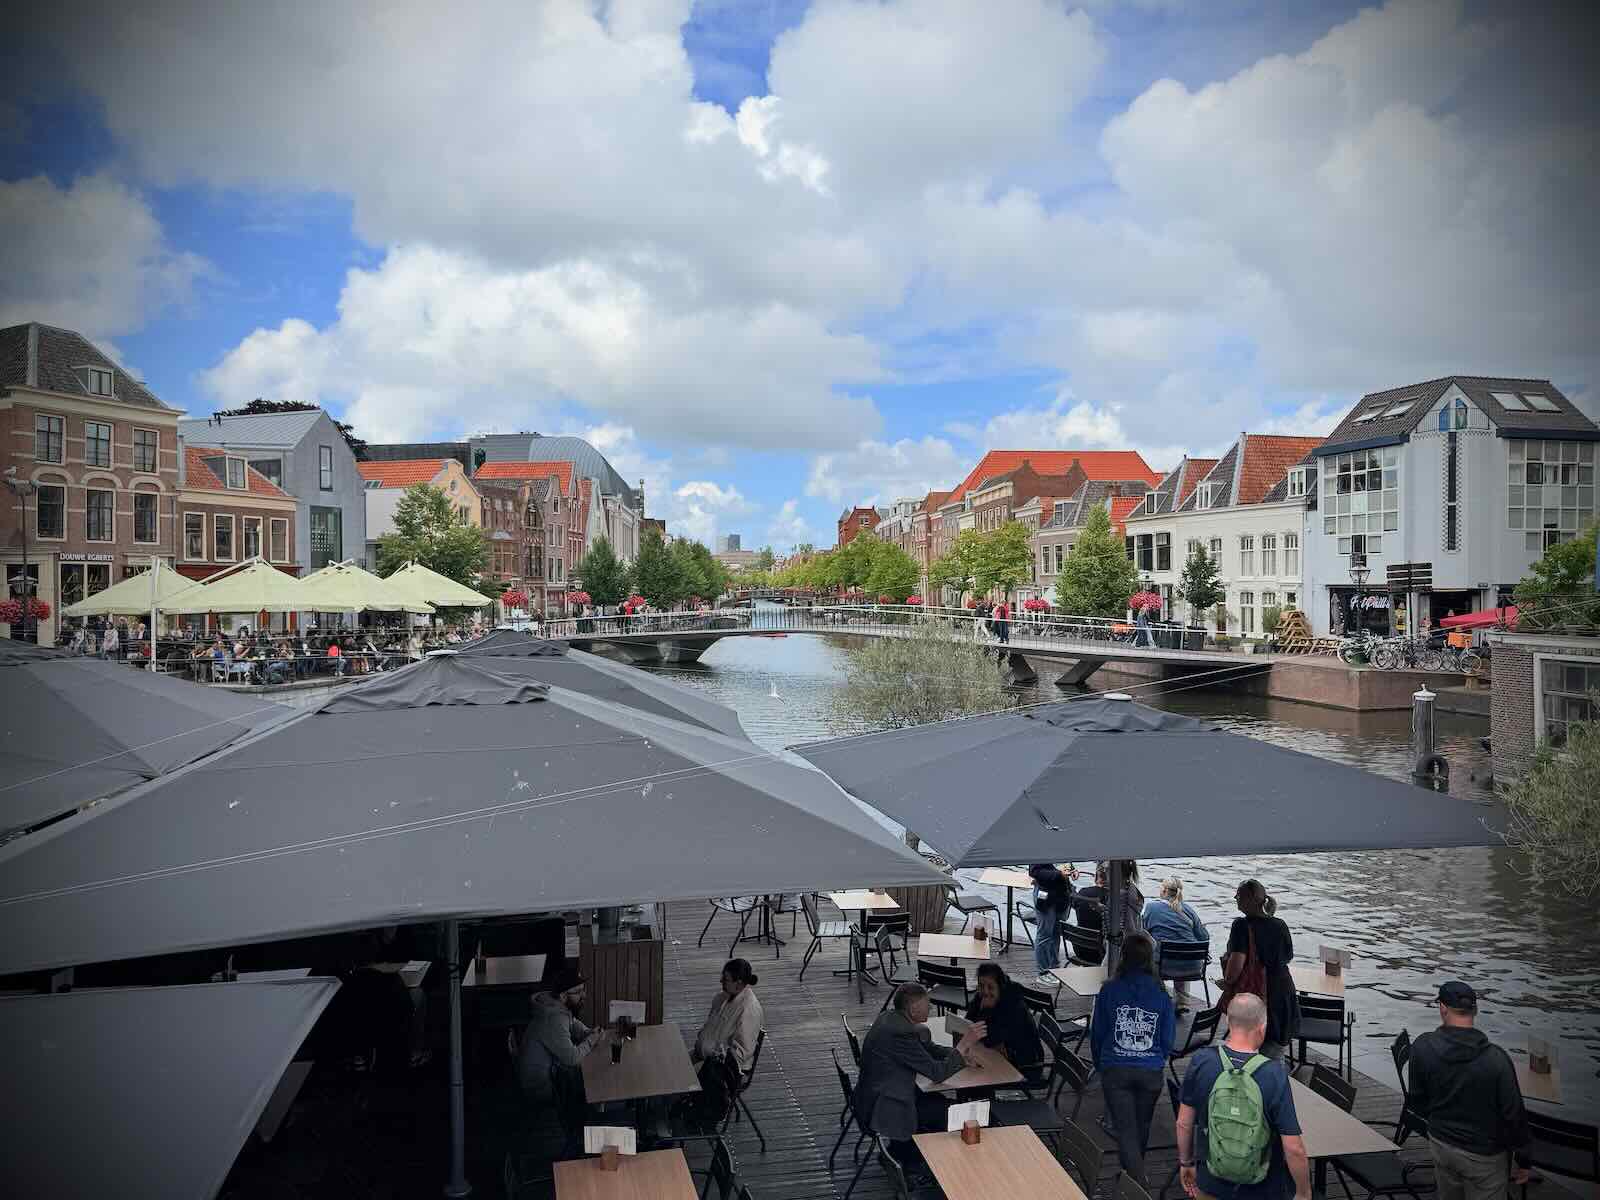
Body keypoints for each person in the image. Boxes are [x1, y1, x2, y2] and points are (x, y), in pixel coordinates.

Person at [1176, 994, 1310, 1200]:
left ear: (1228, 1022)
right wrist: (1303, 1192)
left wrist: (1186, 1162)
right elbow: (1294, 1148)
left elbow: (1184, 1123)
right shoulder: (1274, 1074)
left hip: (1210, 1183)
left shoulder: (1201, 1061)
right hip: (1261, 1191)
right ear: (1262, 1028)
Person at [1409, 982, 1532, 1200]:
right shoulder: (1497, 1059)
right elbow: (1514, 1114)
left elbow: (1417, 1101)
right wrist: (1523, 1159)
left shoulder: (1422, 1047)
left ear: (1442, 1008)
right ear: (1475, 1010)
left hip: (1441, 1142)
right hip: (1485, 1155)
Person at [855, 983, 986, 1170]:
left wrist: (960, 1057)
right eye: (927, 1004)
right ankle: (926, 1163)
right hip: (887, 1106)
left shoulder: (891, 1019)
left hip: (878, 1095)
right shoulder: (900, 1034)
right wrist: (964, 1044)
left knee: (941, 1103)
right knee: (951, 1113)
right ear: (914, 1009)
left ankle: (905, 1153)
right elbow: (937, 1073)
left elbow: (927, 1048)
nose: (931, 1007)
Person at [1092, 933, 1177, 1186]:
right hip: (1150, 1069)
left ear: (1123, 957)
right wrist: (1157, 1059)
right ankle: (1133, 1178)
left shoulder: (1109, 990)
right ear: (1150, 959)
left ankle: (1138, 1184)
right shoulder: (1161, 993)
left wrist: (1100, 1064)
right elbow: (1168, 1038)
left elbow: (1098, 1033)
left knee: (1126, 1130)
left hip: (1115, 1068)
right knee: (1141, 1126)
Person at [1219, 880, 1299, 1058]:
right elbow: (1286, 957)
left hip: (1255, 997)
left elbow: (1234, 971)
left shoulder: (1241, 926)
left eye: (1239, 895)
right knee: (1274, 1052)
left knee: (1246, 1053)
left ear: (1253, 899)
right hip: (1282, 993)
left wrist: (1227, 981)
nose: (1235, 897)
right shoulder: (1280, 925)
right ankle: (1274, 1075)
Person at [686, 958, 765, 1127]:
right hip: (703, 1055)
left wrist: (718, 1055)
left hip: (721, 1068)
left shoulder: (749, 1009)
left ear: (739, 983)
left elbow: (742, 1052)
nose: (721, 981)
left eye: (725, 979)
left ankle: (677, 1117)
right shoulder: (722, 997)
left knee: (682, 1079)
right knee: (674, 1064)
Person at [517, 967, 605, 1104]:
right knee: (596, 1082)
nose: (584, 995)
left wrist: (590, 1033)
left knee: (593, 1073)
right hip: (542, 1086)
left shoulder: (558, 1005)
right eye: (578, 992)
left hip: (554, 1072)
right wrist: (591, 1040)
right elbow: (572, 1058)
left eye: (584, 989)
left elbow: (576, 1027)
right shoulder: (553, 1018)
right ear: (563, 996)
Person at [965, 963, 1044, 1079]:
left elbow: (991, 1038)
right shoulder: (982, 996)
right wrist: (981, 1010)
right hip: (999, 1055)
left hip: (1025, 1064)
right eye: (981, 986)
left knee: (976, 1074)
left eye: (990, 987)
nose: (986, 991)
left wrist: (985, 1011)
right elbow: (968, 1023)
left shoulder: (1013, 1004)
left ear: (1000, 986)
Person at [1144, 877, 1209, 1010]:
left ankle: (1162, 995)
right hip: (1193, 967)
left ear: (1164, 891)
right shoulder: (1189, 910)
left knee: (1150, 955)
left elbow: (1143, 931)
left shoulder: (1151, 907)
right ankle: (1182, 1002)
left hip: (1164, 967)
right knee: (1184, 951)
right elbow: (1204, 937)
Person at [1028, 862, 1075, 982]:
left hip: (1060, 896)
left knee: (1055, 933)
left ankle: (1054, 968)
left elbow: (1064, 866)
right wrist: (1059, 874)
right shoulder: (1038, 855)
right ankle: (1043, 973)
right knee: (1044, 935)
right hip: (1045, 896)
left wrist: (1072, 870)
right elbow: (1035, 872)